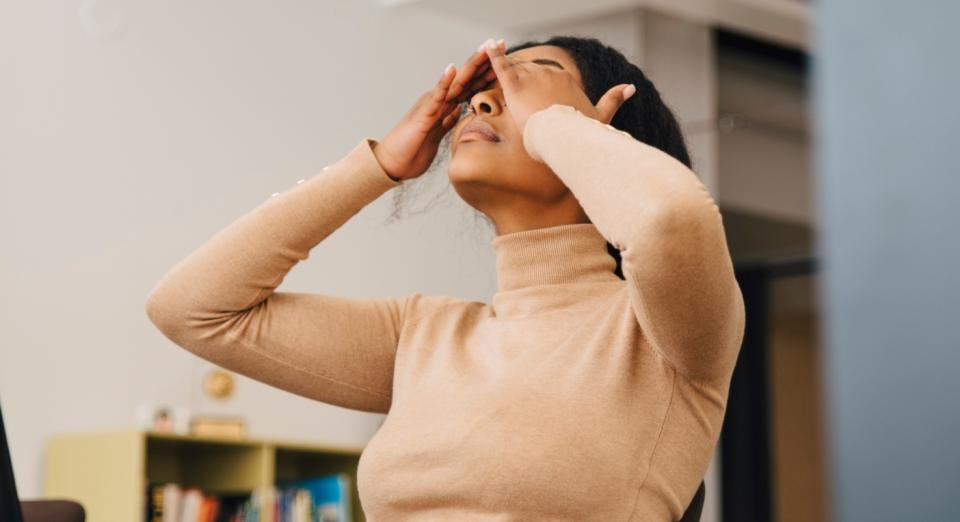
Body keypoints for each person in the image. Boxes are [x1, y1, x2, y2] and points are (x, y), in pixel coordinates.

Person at [145, 35, 745, 521]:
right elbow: (191, 309)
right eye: (482, 91)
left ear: (601, 130)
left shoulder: (664, 330)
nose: (482, 103)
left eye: (524, 86)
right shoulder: (422, 334)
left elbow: (671, 219)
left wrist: (558, 128)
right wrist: (376, 165)